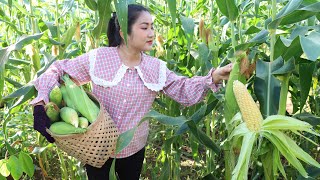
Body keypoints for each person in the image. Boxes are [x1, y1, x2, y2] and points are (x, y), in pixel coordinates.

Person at [31, 4, 233, 180]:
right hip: (96, 148)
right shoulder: (99, 58)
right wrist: (41, 104)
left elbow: (183, 89)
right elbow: (58, 69)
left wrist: (214, 76)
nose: (152, 33)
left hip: (133, 149)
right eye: (144, 27)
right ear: (123, 32)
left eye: (153, 27)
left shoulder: (156, 68)